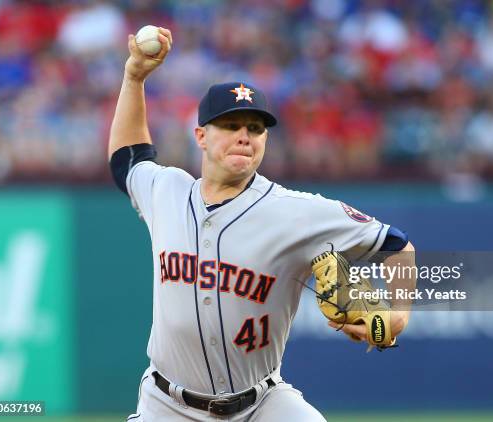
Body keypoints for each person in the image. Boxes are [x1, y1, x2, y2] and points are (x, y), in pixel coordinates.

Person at [108, 27, 415, 422]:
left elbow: (397, 246)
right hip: (166, 406)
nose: (244, 137)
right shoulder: (166, 190)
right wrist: (134, 78)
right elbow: (127, 159)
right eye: (231, 125)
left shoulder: (297, 210)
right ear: (201, 135)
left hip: (260, 405)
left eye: (255, 128)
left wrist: (398, 315)